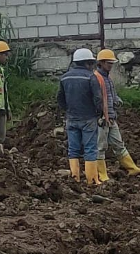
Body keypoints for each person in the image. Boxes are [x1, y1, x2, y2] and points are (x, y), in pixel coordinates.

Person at [94, 49, 140, 182]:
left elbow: (111, 95)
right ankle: (102, 174)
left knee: (118, 143)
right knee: (100, 147)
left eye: (112, 63)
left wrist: (117, 100)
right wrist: (101, 115)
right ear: (101, 63)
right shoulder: (96, 78)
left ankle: (132, 168)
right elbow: (97, 99)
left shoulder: (107, 78)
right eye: (109, 63)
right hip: (102, 119)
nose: (111, 66)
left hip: (111, 117)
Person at [57, 48, 103, 185]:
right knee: (90, 149)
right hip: (88, 118)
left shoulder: (65, 77)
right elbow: (98, 98)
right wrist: (99, 113)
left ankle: (75, 178)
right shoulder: (91, 77)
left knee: (73, 149)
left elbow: (60, 98)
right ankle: (91, 180)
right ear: (87, 63)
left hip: (71, 118)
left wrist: (68, 110)